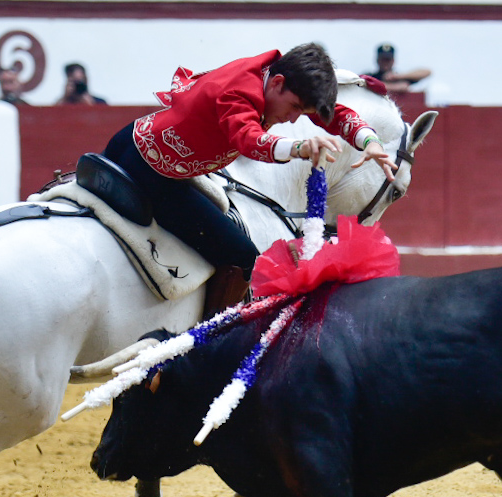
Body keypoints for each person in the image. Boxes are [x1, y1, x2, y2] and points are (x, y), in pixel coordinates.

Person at [102, 43, 397, 315]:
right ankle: (211, 342)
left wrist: (369, 140)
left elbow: (332, 115)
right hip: (148, 167)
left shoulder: (277, 75)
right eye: (295, 108)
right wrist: (299, 148)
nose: (295, 119)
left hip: (154, 151)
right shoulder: (239, 91)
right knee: (241, 255)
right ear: (279, 84)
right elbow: (249, 140)